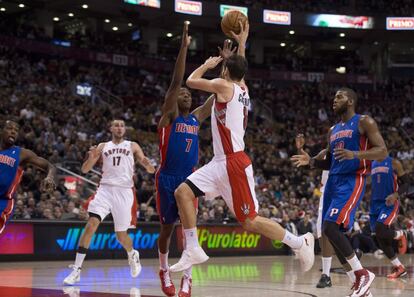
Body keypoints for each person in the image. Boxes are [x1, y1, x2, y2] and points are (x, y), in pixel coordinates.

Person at [170, 21, 315, 274]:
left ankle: (299, 241)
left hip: (234, 163)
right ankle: (192, 248)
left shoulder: (224, 85)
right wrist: (241, 44)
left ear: (225, 71)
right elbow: (240, 68)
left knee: (249, 222)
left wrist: (208, 65)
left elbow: (191, 81)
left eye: (225, 68)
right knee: (183, 192)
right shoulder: (242, 87)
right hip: (219, 162)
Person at [291, 87, 388, 297]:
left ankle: (362, 274)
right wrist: (311, 162)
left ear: (351, 101)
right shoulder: (333, 130)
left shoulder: (365, 122)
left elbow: (382, 150)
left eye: (340, 96)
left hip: (352, 180)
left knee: (330, 226)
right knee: (330, 233)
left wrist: (355, 153)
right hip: (333, 182)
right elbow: (329, 162)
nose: (334, 100)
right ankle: (361, 287)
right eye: (334, 96)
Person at [156, 22, 218, 297]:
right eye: (182, 93)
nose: (186, 94)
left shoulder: (195, 118)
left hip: (189, 180)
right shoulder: (170, 116)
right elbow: (175, 82)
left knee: (188, 230)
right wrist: (183, 47)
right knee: (167, 228)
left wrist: (225, 67)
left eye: (189, 93)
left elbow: (217, 96)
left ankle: (188, 278)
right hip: (167, 176)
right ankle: (164, 269)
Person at [63, 119, 155, 285]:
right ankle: (76, 269)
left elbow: (148, 167)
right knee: (91, 225)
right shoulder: (102, 146)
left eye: (122, 125)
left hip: (124, 192)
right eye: (116, 125)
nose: (119, 128)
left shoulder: (132, 145)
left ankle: (132, 253)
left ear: (124, 129)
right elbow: (84, 169)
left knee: (121, 236)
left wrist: (149, 166)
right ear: (111, 128)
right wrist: (91, 158)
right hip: (105, 190)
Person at [0, 119, 56, 234]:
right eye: (10, 128)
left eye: (16, 130)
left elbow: (49, 166)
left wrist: (49, 177)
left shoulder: (22, 154)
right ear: (2, 131)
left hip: (3, 202)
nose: (13, 132)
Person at [296, 134, 334, 289]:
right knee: (322, 233)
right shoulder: (325, 152)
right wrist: (300, 149)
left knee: (329, 231)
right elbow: (311, 162)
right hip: (325, 193)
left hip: (339, 190)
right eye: (330, 136)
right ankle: (330, 272)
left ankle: (328, 274)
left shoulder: (344, 152)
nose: (331, 137)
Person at [370, 155, 409, 278]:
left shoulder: (394, 162)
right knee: (379, 236)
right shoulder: (371, 162)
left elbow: (407, 184)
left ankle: (401, 234)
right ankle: (399, 267)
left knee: (380, 229)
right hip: (374, 203)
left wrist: (396, 195)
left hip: (389, 203)